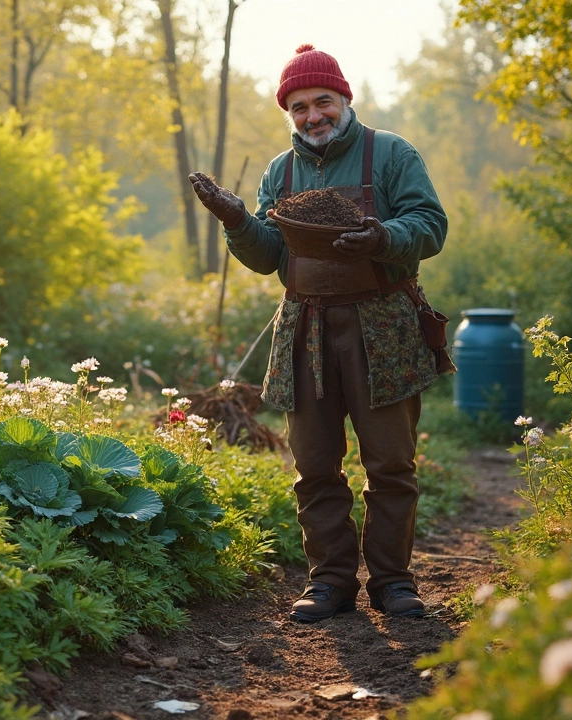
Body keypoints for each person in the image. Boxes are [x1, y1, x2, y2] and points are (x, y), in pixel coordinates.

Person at [188, 44, 448, 623]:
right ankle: (329, 582)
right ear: (290, 113)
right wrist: (237, 222)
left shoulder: (392, 154)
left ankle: (392, 582)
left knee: (389, 464)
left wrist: (383, 237)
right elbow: (268, 257)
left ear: (345, 99)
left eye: (322, 101)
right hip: (303, 326)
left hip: (382, 324)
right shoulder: (279, 172)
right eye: (299, 107)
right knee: (314, 465)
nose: (313, 116)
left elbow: (430, 225)